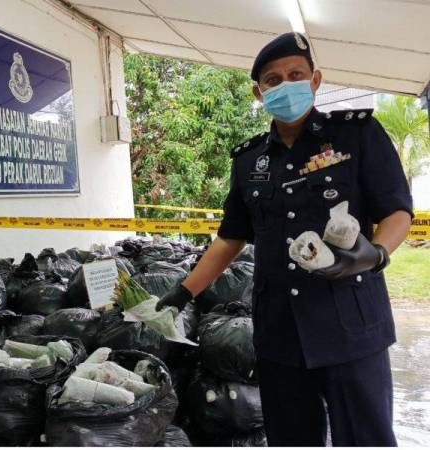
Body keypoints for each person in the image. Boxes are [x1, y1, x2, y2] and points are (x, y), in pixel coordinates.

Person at [156, 32, 413, 446]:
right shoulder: (249, 160)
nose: (284, 84)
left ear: (315, 81)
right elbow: (230, 239)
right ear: (259, 93)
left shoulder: (357, 135)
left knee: (366, 438)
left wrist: (376, 254)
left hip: (351, 323)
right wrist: (183, 292)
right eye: (273, 80)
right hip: (280, 331)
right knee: (291, 439)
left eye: (296, 74)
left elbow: (397, 210)